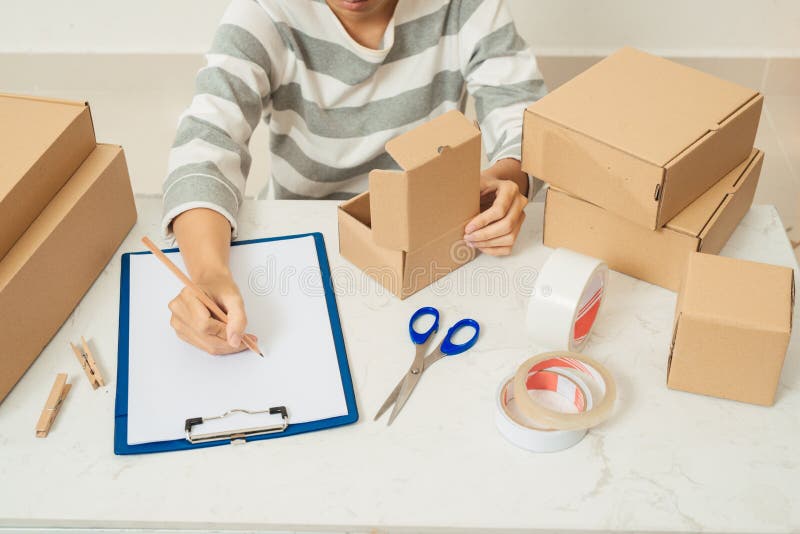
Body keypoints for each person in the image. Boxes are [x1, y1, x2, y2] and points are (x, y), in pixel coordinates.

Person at [163, 0, 546, 355]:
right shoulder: (266, 12)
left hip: (427, 247)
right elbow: (207, 143)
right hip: (305, 242)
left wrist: (510, 178)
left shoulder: (465, 7)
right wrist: (208, 271)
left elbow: (525, 114)